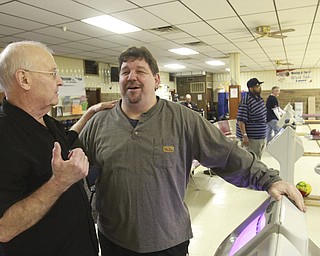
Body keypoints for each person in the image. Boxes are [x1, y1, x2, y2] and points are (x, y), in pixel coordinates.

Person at [79, 46, 305, 256]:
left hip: (168, 241)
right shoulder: (99, 124)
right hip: (114, 241)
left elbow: (226, 154)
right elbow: (72, 172)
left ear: (156, 79)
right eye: (125, 71)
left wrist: (268, 180)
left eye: (140, 71)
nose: (131, 77)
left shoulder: (183, 120)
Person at [0, 41, 116, 256]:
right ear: (24, 79)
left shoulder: (45, 121)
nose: (60, 81)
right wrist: (60, 182)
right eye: (52, 73)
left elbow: (68, 139)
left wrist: (90, 112)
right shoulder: (4, 135)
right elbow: (4, 229)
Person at [236, 78, 267, 160]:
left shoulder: (259, 98)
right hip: (252, 138)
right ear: (251, 88)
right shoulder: (246, 101)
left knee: (257, 159)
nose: (259, 88)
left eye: (259, 86)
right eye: (257, 86)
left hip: (260, 136)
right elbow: (240, 121)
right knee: (251, 161)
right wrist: (244, 136)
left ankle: (256, 172)